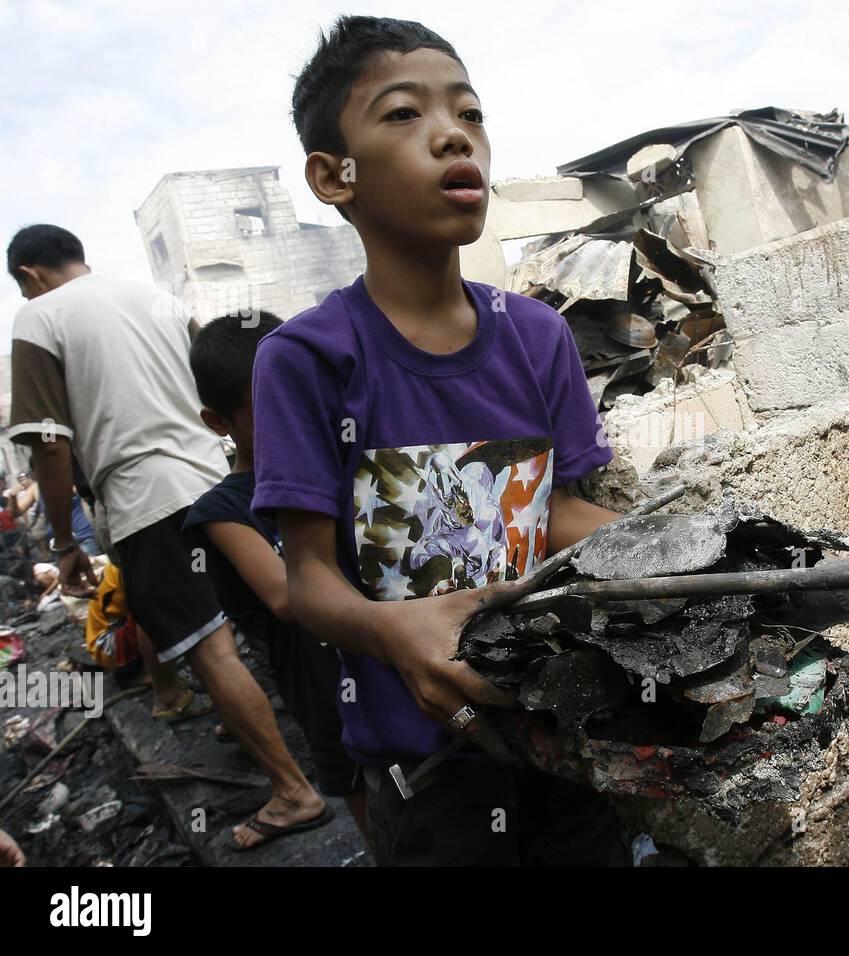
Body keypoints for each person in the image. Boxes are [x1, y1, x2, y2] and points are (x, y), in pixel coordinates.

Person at [254, 15, 632, 865]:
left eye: (470, 112)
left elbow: (558, 512)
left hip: (561, 727)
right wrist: (396, 631)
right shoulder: (306, 360)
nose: (453, 133)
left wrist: (690, 557)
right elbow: (308, 582)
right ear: (332, 176)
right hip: (425, 768)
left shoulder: (538, 336)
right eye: (401, 114)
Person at [6, 224, 330, 849]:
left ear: (29, 276)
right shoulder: (157, 301)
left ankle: (294, 792)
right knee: (255, 624)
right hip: (216, 477)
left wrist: (64, 545)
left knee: (210, 652)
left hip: (146, 499)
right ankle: (306, 735)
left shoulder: (37, 318)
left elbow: (50, 445)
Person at [184, 312, 366, 843]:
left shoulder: (347, 465)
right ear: (218, 422)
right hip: (330, 694)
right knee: (383, 823)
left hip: (394, 672)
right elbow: (289, 598)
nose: (300, 416)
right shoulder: (222, 512)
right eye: (270, 407)